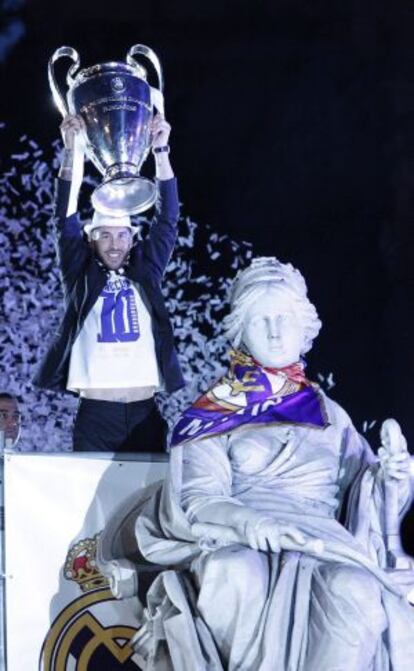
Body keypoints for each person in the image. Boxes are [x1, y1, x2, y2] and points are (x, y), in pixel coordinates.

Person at [130, 257, 414, 670]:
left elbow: (365, 494)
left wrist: (393, 478)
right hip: (242, 538)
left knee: (354, 588)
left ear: (304, 329)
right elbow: (199, 499)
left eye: (284, 318)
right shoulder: (213, 411)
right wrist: (254, 525)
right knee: (236, 572)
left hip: (321, 542)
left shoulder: (331, 415)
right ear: (241, 331)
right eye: (261, 319)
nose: (275, 330)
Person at [33, 113, 184, 452]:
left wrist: (161, 152)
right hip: (96, 413)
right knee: (95, 504)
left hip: (146, 411)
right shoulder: (79, 273)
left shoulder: (147, 271)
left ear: (132, 240)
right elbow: (64, 218)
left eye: (122, 236)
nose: (115, 244)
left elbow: (168, 220)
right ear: (91, 240)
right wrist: (72, 150)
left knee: (148, 503)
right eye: (105, 236)